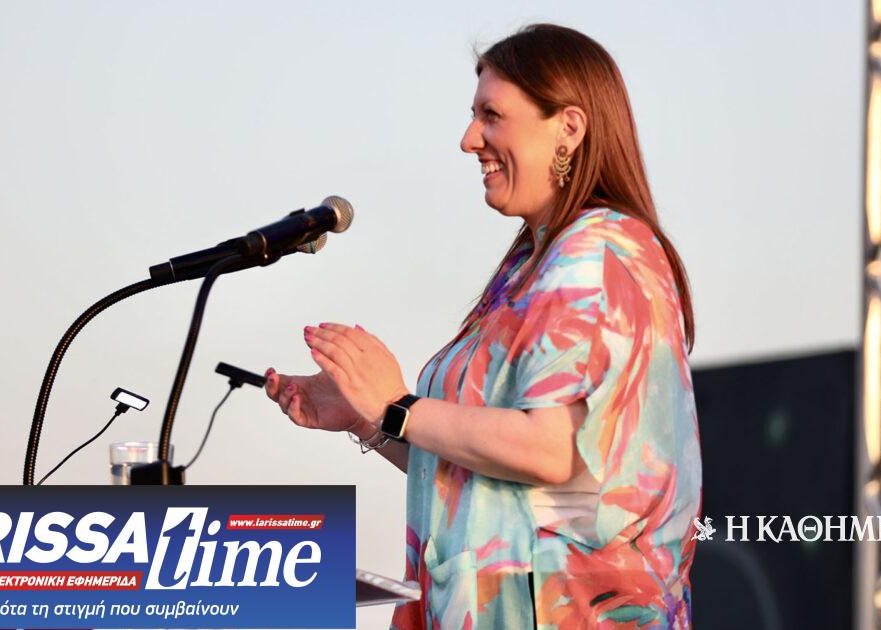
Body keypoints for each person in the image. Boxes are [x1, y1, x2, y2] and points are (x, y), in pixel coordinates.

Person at [264, 23, 700, 629]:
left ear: (569, 127)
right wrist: (369, 418)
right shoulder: (533, 263)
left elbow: (554, 449)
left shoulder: (597, 252)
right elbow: (489, 480)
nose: (470, 139)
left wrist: (397, 407)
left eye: (491, 115)